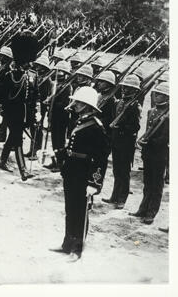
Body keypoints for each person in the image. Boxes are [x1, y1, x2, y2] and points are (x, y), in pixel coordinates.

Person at [51, 86, 109, 261]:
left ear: (86, 105)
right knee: (70, 209)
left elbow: (101, 158)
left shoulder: (96, 127)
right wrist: (57, 153)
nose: (74, 104)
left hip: (84, 174)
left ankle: (77, 249)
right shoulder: (78, 121)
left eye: (78, 102)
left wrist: (94, 183)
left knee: (80, 211)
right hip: (71, 172)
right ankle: (67, 244)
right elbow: (72, 148)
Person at [0, 31, 40, 181]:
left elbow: (35, 96)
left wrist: (36, 113)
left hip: (25, 113)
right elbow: (1, 93)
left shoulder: (33, 75)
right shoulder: (11, 75)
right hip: (12, 113)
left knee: (12, 138)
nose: (30, 63)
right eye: (27, 61)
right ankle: (23, 170)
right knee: (18, 139)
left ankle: (2, 161)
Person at [130, 82, 169, 225]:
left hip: (160, 153)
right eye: (155, 94)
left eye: (159, 94)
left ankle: (152, 212)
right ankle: (143, 208)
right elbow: (147, 130)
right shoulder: (151, 111)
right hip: (149, 153)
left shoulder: (169, 115)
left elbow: (165, 137)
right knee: (147, 182)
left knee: (157, 184)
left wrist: (150, 143)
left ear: (167, 97)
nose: (155, 96)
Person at [103, 74, 141, 210]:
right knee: (116, 169)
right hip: (116, 141)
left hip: (126, 143)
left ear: (135, 91)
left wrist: (121, 128)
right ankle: (114, 195)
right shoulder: (119, 103)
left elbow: (135, 127)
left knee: (124, 171)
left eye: (129, 88)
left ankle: (122, 198)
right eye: (125, 87)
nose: (125, 90)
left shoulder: (135, 106)